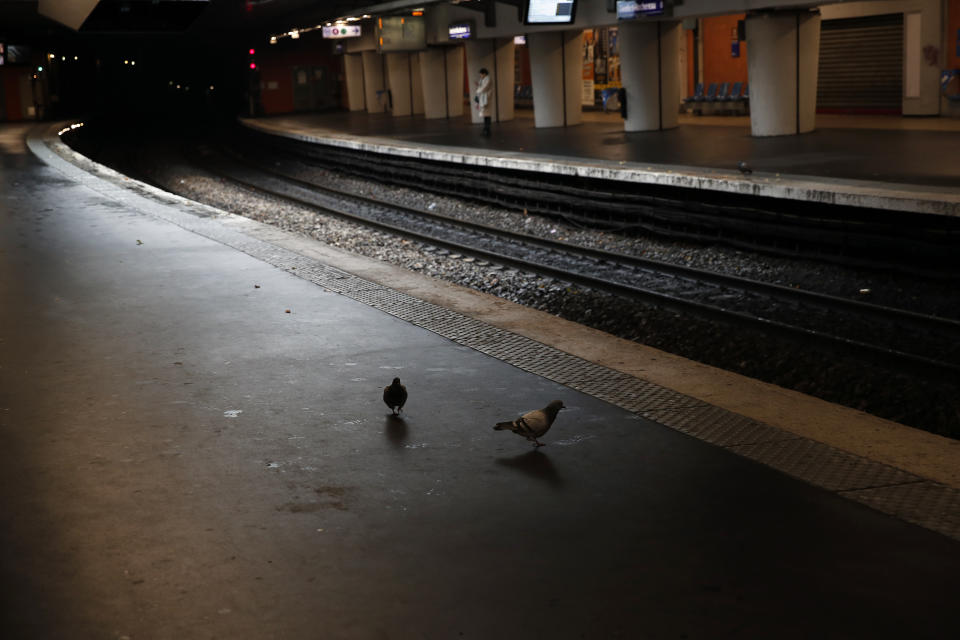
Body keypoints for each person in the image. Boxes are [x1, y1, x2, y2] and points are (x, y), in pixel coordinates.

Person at [474, 68, 492, 137]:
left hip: (486, 99)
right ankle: (485, 129)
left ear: (484, 73)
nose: (480, 76)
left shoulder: (488, 79)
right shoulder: (482, 79)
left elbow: (484, 87)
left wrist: (478, 90)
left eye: (481, 74)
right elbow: (481, 87)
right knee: (485, 115)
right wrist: (478, 86)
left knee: (487, 114)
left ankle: (487, 129)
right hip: (483, 99)